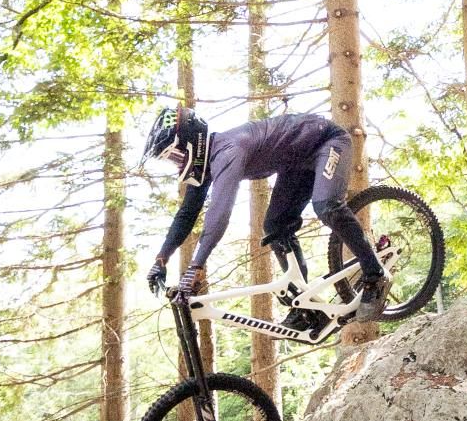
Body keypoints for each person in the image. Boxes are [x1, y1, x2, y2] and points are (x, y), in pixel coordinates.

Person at [144, 103, 388, 324]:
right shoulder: (207, 165)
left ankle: (374, 275)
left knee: (326, 205)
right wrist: (161, 259)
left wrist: (196, 265)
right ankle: (305, 304)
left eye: (174, 155)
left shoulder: (228, 150)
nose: (176, 164)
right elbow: (187, 214)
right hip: (297, 163)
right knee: (276, 226)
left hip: (328, 141)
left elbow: (219, 213)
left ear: (191, 142)